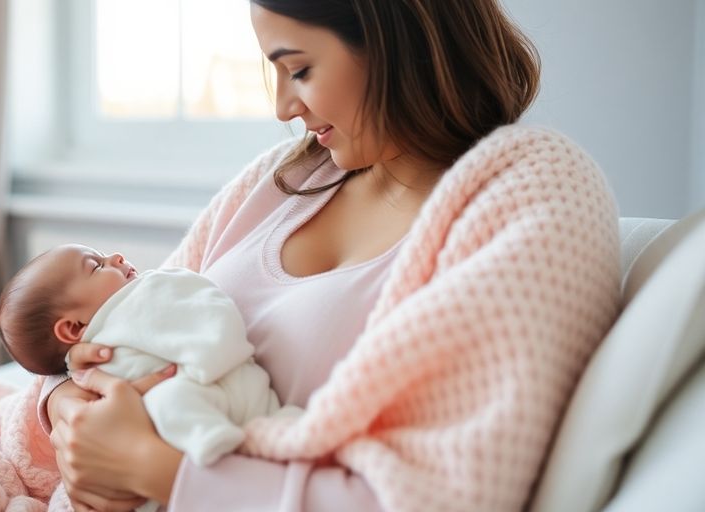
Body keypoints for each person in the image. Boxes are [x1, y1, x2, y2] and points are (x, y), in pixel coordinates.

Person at [38, 1, 622, 511]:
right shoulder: (287, 176)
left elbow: (446, 491)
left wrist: (149, 468)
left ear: (398, 41)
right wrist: (66, 406)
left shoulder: (532, 193)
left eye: (300, 69)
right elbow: (120, 314)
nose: (284, 107)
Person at [0, 244, 299, 469]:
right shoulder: (88, 358)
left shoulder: (148, 292)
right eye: (96, 266)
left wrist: (204, 356)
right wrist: (65, 398)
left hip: (211, 392)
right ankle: (211, 443)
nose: (115, 256)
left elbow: (196, 303)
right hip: (157, 428)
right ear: (73, 328)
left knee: (183, 399)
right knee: (170, 402)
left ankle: (226, 444)